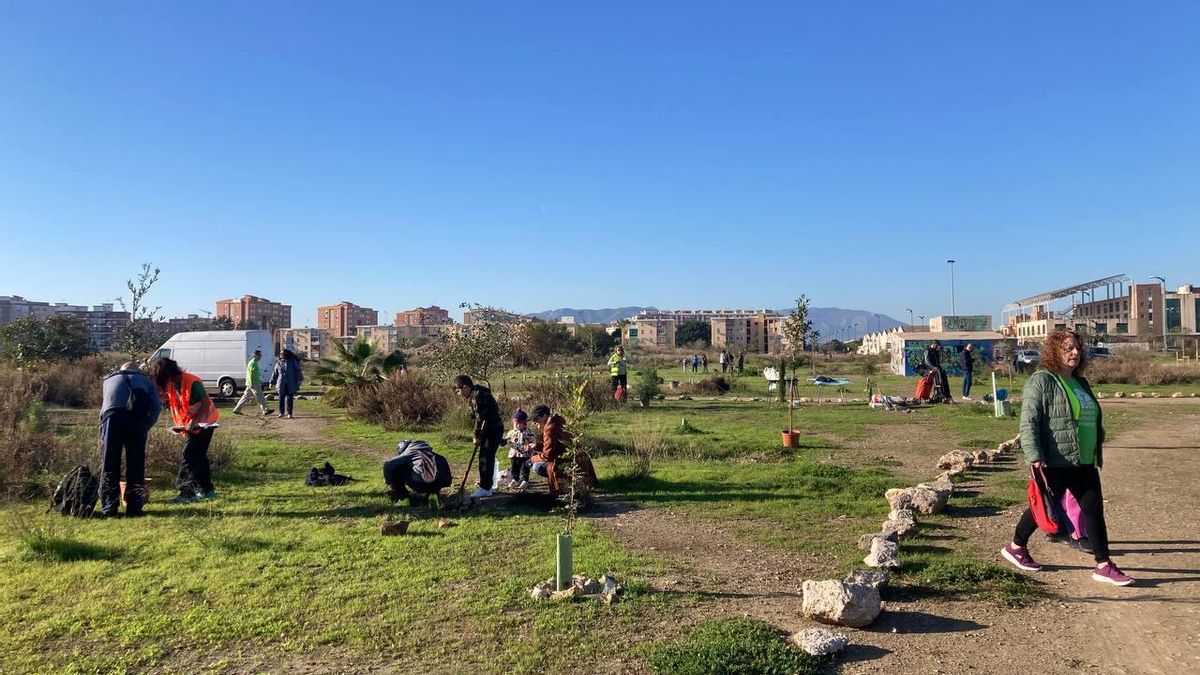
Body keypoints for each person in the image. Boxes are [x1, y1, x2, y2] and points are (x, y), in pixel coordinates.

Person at [1000, 330, 1133, 586]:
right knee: (1043, 508)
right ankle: (1016, 546)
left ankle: (1103, 565)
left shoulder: (1080, 382)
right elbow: (1029, 422)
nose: (1074, 352)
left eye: (1077, 348)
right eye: (1067, 348)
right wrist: (1034, 455)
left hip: (1083, 459)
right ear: (1053, 351)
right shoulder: (1041, 381)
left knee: (1094, 510)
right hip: (1055, 459)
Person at [149, 357, 220, 504]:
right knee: (199, 457)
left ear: (168, 375)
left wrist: (194, 421)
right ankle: (207, 490)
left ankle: (186, 492)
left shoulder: (192, 382)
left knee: (188, 456)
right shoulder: (173, 384)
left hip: (205, 424)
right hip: (190, 426)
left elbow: (205, 403)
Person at [97, 362, 161, 517]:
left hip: (111, 419)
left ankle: (109, 507)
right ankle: (134, 507)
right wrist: (146, 425)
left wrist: (103, 431)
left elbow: (104, 407)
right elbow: (155, 407)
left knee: (109, 463)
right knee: (136, 464)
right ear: (137, 370)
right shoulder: (146, 381)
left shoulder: (108, 380)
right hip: (137, 421)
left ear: (121, 370)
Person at [454, 374, 504, 498]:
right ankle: (487, 485)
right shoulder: (476, 394)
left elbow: (481, 418)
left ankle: (485, 488)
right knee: (486, 457)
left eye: (458, 391)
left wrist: (476, 435)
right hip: (491, 428)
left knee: (485, 458)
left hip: (492, 429)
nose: (458, 394)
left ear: (465, 387)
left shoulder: (478, 396)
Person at [529, 404, 597, 495]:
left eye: (535, 419)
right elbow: (557, 446)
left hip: (567, 463)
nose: (534, 422)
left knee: (537, 467)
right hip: (579, 461)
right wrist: (537, 446)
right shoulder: (559, 421)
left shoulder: (549, 430)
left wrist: (532, 459)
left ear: (544, 416)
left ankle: (564, 484)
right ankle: (578, 483)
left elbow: (548, 456)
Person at [383, 439, 452, 505]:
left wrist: (389, 482)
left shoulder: (410, 451)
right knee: (431, 474)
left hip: (421, 484)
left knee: (397, 468)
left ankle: (403, 499)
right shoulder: (432, 454)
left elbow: (388, 464)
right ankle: (432, 495)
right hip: (441, 483)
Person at [505, 409, 536, 490]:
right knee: (514, 467)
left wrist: (530, 447)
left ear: (524, 423)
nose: (517, 425)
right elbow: (507, 439)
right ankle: (515, 479)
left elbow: (532, 441)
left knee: (524, 467)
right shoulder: (511, 432)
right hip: (514, 453)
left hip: (525, 454)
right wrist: (505, 441)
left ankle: (525, 480)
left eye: (519, 423)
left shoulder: (528, 432)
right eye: (516, 423)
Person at [232, 349, 270, 416]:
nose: (260, 357)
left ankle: (237, 409)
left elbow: (253, 373)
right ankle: (265, 409)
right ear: (255, 355)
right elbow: (251, 373)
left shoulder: (251, 362)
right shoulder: (254, 363)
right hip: (254, 383)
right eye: (259, 355)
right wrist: (252, 383)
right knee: (260, 396)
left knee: (245, 397)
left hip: (250, 383)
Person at [271, 348, 303, 418]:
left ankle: (289, 413)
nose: (281, 355)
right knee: (281, 398)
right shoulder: (278, 362)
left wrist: (299, 379)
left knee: (289, 398)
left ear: (286, 354)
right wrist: (272, 382)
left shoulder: (293, 361)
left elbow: (298, 370)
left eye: (282, 353)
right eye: (280, 353)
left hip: (290, 383)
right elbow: (275, 373)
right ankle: (281, 412)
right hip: (281, 383)